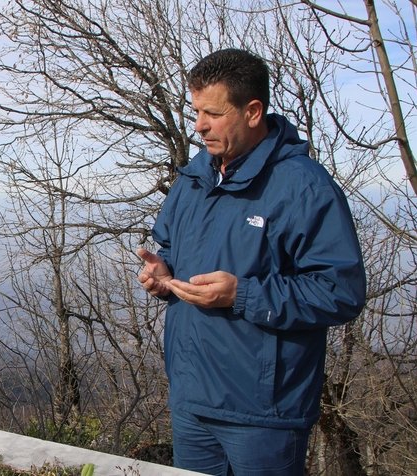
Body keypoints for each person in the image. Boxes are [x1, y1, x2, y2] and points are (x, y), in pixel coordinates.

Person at [137, 49, 366, 475]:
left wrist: (242, 295)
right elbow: (172, 250)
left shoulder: (304, 187)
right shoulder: (193, 179)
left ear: (253, 111)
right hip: (191, 401)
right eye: (196, 111)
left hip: (264, 415)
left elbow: (340, 292)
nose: (199, 125)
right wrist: (163, 274)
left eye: (213, 113)